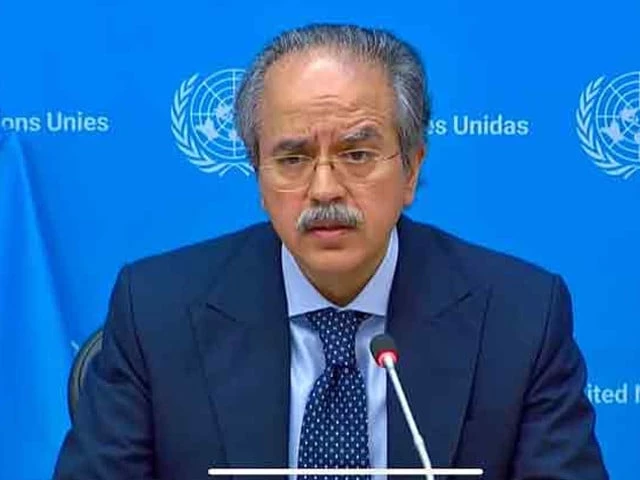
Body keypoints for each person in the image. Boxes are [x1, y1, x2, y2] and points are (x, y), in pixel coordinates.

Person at [53, 23, 608, 480]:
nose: (324, 189)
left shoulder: (519, 318)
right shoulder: (157, 314)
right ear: (257, 173)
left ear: (411, 169)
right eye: (292, 159)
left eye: (357, 154)